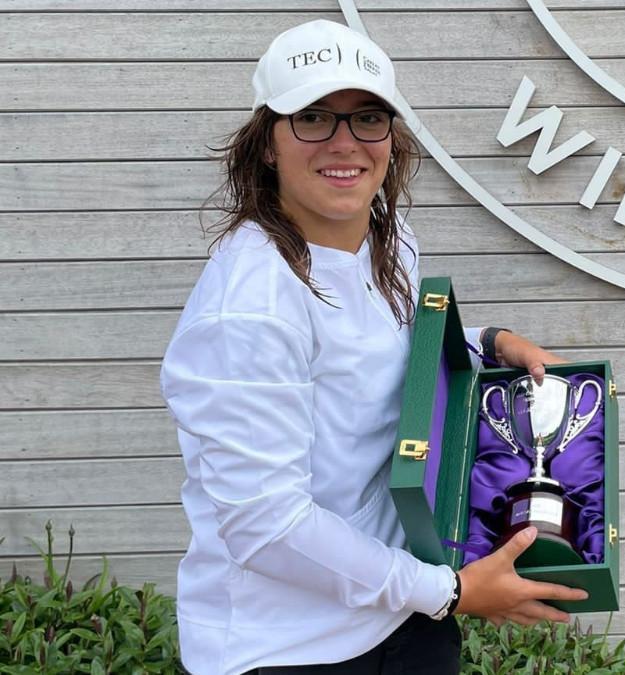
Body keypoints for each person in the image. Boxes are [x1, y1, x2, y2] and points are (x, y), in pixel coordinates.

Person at [159, 19, 587, 675]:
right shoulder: (248, 307)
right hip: (286, 648)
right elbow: (268, 525)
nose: (345, 142)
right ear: (267, 143)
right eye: (313, 118)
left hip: (401, 611)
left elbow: (390, 364)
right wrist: (453, 591)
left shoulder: (389, 236)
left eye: (367, 118)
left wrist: (485, 345)